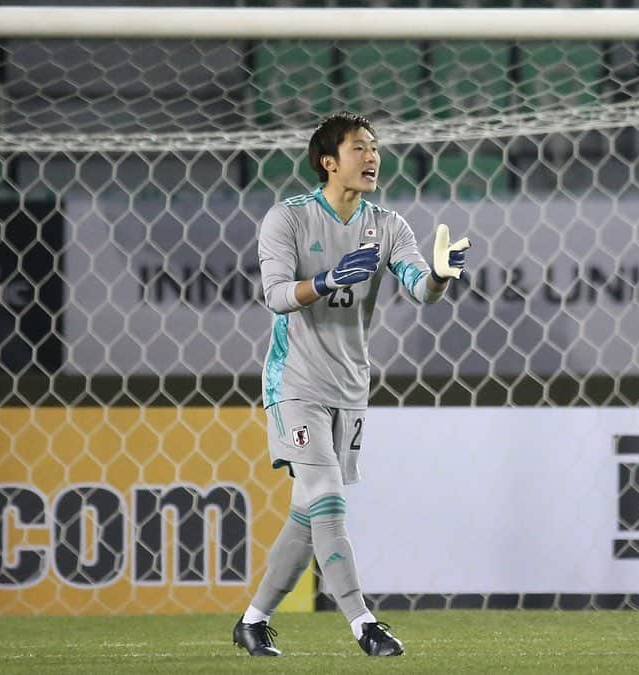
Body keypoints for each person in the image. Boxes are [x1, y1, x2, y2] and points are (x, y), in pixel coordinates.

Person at [233, 111, 470, 658]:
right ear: (328, 161)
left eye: (375, 147)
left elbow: (419, 289)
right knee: (330, 502)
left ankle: (253, 620)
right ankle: (365, 624)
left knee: (305, 512)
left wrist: (438, 274)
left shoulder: (387, 225)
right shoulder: (287, 218)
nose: (372, 157)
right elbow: (274, 295)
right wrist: (327, 280)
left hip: (350, 388)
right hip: (295, 384)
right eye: (359, 147)